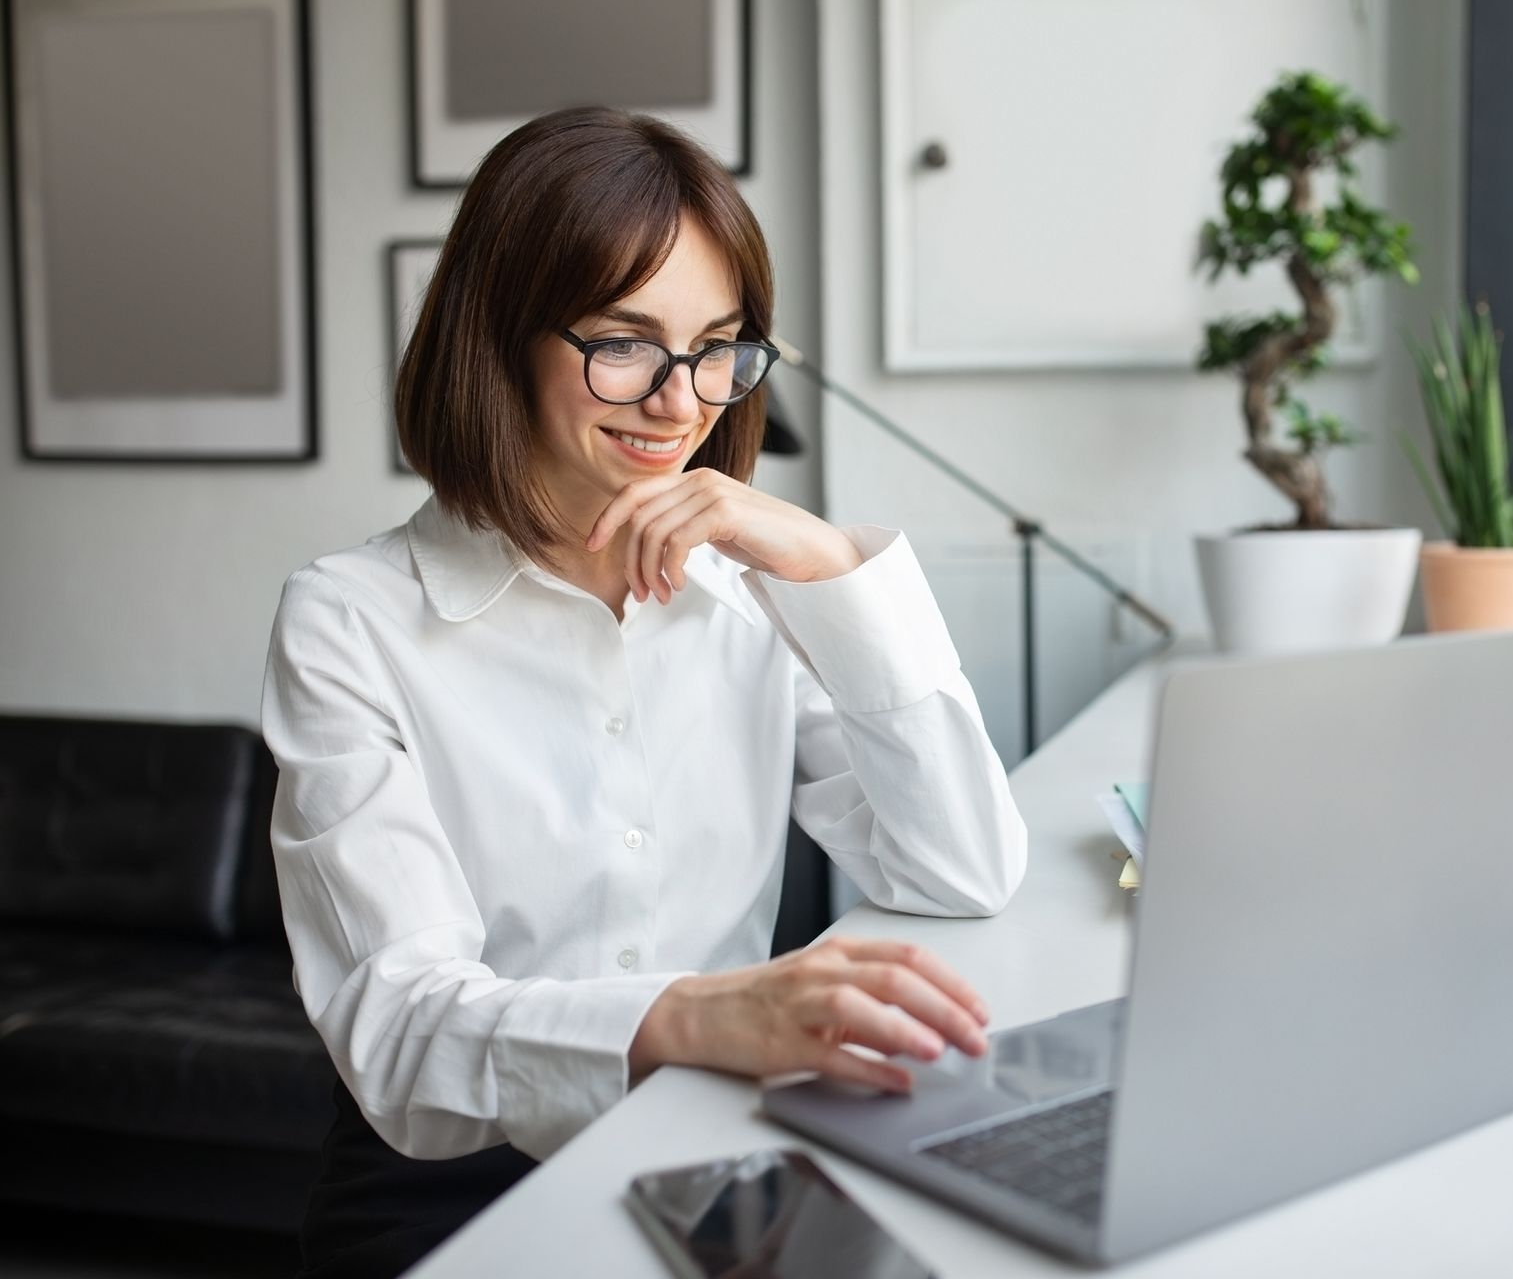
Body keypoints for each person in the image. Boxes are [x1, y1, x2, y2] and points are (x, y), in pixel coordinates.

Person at [260, 107, 1027, 1279]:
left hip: (709, 1140)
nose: (683, 401)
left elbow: (964, 862)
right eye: (623, 342)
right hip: (451, 1191)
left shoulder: (756, 593)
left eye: (719, 344)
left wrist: (826, 563)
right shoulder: (350, 621)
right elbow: (403, 1031)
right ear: (500, 336)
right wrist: (703, 1017)